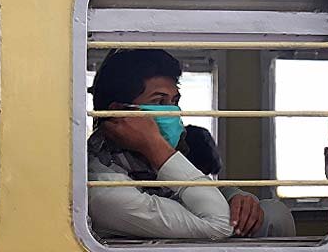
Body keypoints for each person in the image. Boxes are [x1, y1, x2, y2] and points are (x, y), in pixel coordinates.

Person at [87, 49, 295, 240]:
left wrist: (237, 197)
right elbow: (218, 224)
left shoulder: (148, 155)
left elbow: (198, 185)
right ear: (120, 113)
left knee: (273, 212)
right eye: (159, 103)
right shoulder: (103, 188)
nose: (173, 112)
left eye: (174, 101)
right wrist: (156, 147)